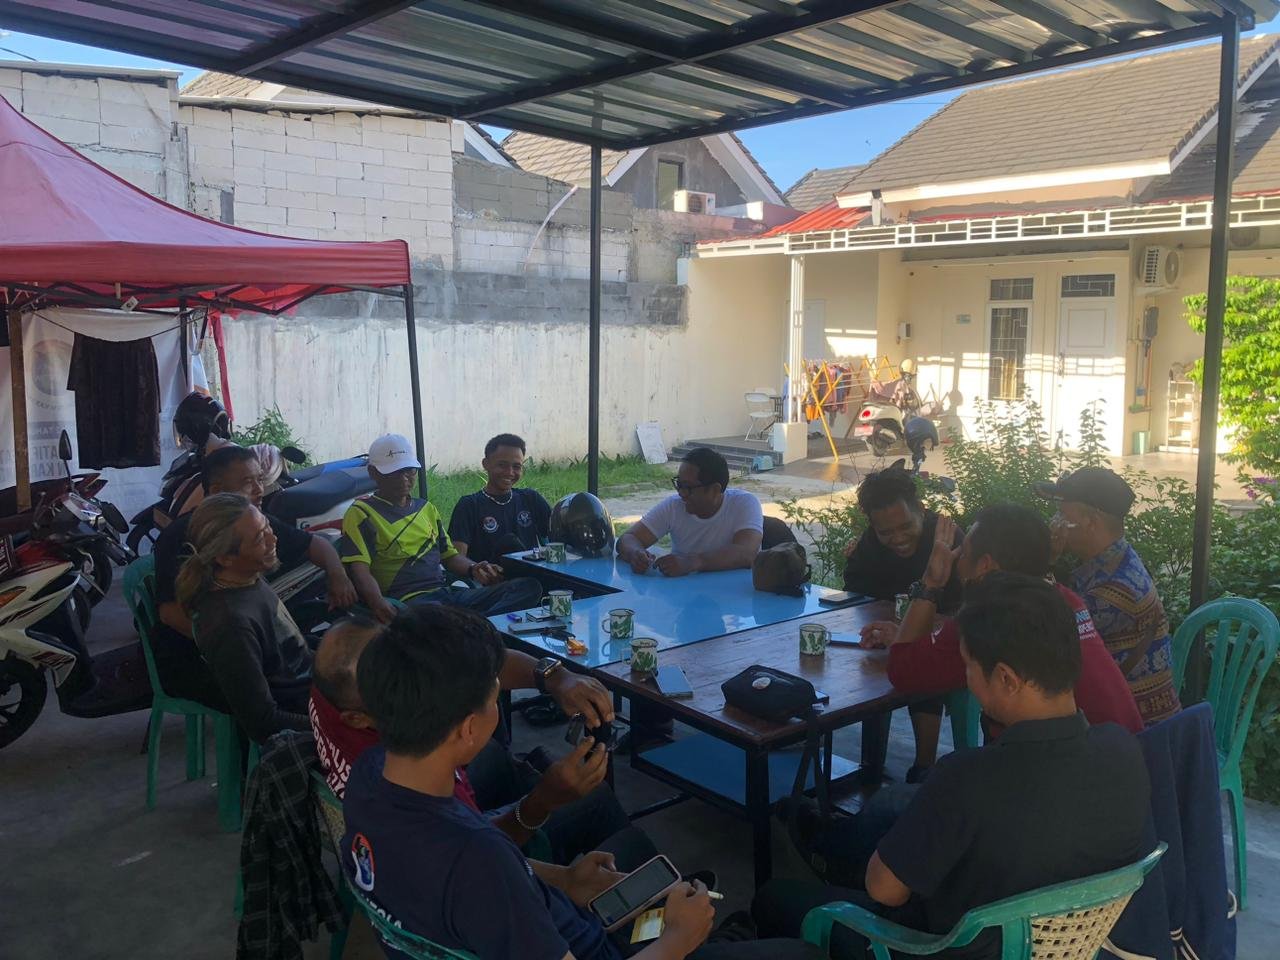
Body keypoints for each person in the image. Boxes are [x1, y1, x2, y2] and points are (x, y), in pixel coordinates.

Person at [342, 604, 823, 960]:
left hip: (554, 918)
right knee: (803, 954)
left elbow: (480, 871)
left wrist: (565, 879)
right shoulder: (478, 860)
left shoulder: (369, 778)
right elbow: (484, 869)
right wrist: (679, 938)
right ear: (468, 728)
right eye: (494, 697)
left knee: (635, 853)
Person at [753, 573, 1152, 960]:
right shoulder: (1125, 750)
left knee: (773, 898)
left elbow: (884, 890)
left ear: (1006, 678)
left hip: (935, 946)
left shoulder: (967, 777)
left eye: (968, 666)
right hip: (1065, 945)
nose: (966, 679)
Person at [311, 614, 658, 869]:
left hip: (433, 847)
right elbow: (477, 855)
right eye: (488, 700)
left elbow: (470, 666)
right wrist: (541, 802)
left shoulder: (336, 683)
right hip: (482, 858)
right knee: (594, 801)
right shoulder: (420, 790)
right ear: (466, 729)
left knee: (503, 758)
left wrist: (555, 677)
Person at [861, 504, 1143, 756]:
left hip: (1067, 772)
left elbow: (903, 672)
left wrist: (932, 581)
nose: (958, 560)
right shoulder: (1063, 599)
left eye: (964, 553)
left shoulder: (988, 617)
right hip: (1125, 757)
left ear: (985, 565)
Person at [151, 444, 356, 709]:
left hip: (247, 645)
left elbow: (315, 544)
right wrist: (244, 647)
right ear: (217, 490)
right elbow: (170, 614)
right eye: (248, 483)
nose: (260, 490)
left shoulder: (255, 523)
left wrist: (338, 576)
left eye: (260, 479)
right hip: (197, 661)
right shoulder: (181, 536)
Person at [841, 463, 963, 780]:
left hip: (943, 642)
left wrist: (910, 627)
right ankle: (869, 765)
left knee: (921, 659)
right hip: (885, 640)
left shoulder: (947, 538)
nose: (898, 538)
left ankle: (924, 766)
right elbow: (856, 591)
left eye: (905, 526)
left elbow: (965, 612)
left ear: (920, 508)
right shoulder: (870, 543)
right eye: (886, 532)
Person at [340, 433, 541, 622]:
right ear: (373, 473)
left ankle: (478, 624)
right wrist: (377, 602)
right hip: (409, 601)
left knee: (528, 587)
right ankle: (475, 625)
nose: (404, 478)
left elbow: (450, 557)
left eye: (409, 470)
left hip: (445, 593)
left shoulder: (426, 509)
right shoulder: (362, 513)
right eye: (394, 472)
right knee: (444, 617)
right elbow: (359, 570)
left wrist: (474, 568)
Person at [1036, 467, 1181, 725]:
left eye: (1062, 514)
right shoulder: (1116, 560)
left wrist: (1047, 561)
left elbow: (1044, 632)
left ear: (1091, 522)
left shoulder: (1113, 592)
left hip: (1134, 736)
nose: (1055, 522)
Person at [175, 493, 313, 743]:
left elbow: (291, 650)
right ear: (225, 557)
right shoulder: (230, 624)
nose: (273, 539)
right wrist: (332, 729)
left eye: (267, 527)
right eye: (260, 538)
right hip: (307, 712)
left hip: (319, 688)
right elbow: (263, 721)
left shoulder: (249, 580)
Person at [616, 448, 763, 578]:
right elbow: (628, 538)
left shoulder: (744, 503)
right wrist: (636, 554)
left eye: (688, 487)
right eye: (679, 484)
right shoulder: (674, 506)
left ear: (714, 490)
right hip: (682, 593)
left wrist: (692, 562)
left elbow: (747, 553)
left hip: (733, 595)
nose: (681, 493)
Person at [449, 433, 552, 564]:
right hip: (489, 576)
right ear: (486, 464)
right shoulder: (469, 506)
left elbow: (559, 537)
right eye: (502, 465)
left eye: (516, 467)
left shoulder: (531, 499)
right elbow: (456, 559)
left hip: (531, 573)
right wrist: (477, 569)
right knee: (509, 543)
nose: (510, 472)